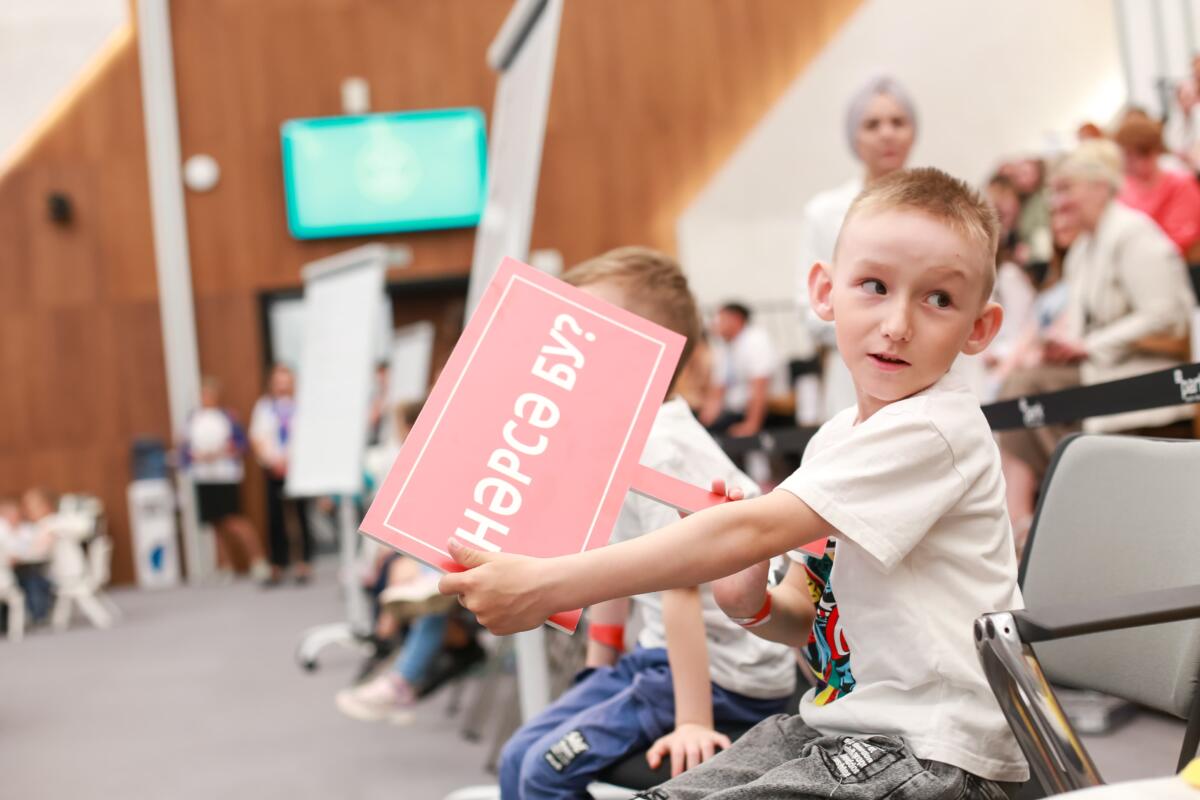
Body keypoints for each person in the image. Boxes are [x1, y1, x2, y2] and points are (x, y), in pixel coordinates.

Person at [441, 169, 1028, 798]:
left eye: (938, 299)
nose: (898, 323)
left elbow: (748, 530)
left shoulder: (934, 429)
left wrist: (544, 585)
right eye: (875, 286)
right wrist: (752, 604)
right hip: (838, 730)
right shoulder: (837, 439)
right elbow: (804, 615)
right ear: (824, 292)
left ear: (979, 328)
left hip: (935, 752)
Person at [501, 248, 796, 799]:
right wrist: (598, 668)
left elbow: (680, 579)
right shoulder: (618, 438)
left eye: (588, 334)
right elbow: (613, 569)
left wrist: (692, 721)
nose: (567, 348)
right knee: (517, 755)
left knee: (543, 771)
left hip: (723, 677)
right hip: (656, 660)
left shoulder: (660, 447)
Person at [997, 140, 1195, 547]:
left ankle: (1037, 518)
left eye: (1066, 189)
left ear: (1100, 187)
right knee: (1018, 385)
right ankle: (1025, 521)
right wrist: (1057, 346)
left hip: (1148, 371)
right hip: (1101, 368)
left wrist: (1090, 346)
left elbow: (1166, 317)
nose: (1057, 201)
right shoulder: (1083, 249)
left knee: (1024, 389)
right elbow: (1078, 325)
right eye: (1054, 191)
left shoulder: (1133, 234)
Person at [796, 75, 917, 420]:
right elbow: (809, 306)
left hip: (927, 375)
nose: (887, 133)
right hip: (853, 382)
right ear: (854, 137)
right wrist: (877, 331)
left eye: (898, 122)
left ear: (912, 131)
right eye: (872, 124)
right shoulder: (824, 212)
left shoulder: (944, 208)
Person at [180, 377, 270, 582]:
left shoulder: (227, 417)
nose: (206, 398)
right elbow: (184, 450)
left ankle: (258, 560)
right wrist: (195, 456)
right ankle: (226, 565)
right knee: (215, 523)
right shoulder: (193, 419)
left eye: (209, 394)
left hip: (225, 475)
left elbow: (242, 445)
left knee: (234, 520)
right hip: (204, 477)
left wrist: (224, 451)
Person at [249, 363, 314, 585]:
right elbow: (257, 437)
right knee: (275, 518)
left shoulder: (301, 405)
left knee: (301, 516)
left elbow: (307, 436)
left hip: (297, 469)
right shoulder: (264, 407)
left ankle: (303, 562)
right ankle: (277, 563)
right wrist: (272, 460)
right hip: (273, 468)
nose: (282, 387)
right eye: (278, 382)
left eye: (286, 382)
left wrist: (291, 460)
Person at [1114, 112, 1200, 259]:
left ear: (1153, 153)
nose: (1127, 162)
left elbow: (1181, 239)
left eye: (1132, 156)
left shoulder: (1181, 185)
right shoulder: (1123, 187)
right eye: (1125, 155)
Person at [699, 303, 782, 437]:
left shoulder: (756, 340)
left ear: (736, 319)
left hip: (763, 413)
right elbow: (718, 389)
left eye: (720, 319)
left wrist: (751, 424)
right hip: (735, 411)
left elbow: (760, 386)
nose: (715, 324)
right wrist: (702, 424)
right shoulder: (725, 346)